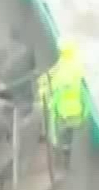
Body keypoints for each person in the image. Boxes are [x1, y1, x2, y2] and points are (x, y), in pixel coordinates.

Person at [35, 40, 89, 168]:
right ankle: (66, 155)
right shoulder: (76, 67)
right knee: (68, 137)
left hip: (62, 113)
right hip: (75, 113)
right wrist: (84, 115)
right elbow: (83, 94)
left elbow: (55, 91)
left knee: (57, 136)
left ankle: (59, 159)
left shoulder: (63, 73)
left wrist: (47, 102)